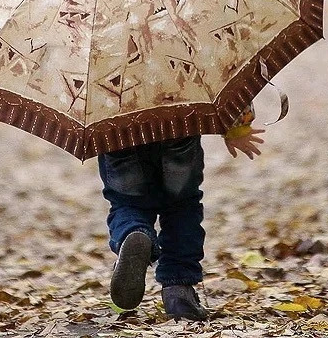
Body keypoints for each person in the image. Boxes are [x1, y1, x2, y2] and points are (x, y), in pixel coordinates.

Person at [99, 104, 265, 320]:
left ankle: (133, 233)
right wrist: (237, 126)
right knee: (181, 206)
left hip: (119, 131)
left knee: (128, 204)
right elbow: (222, 72)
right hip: (178, 126)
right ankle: (178, 292)